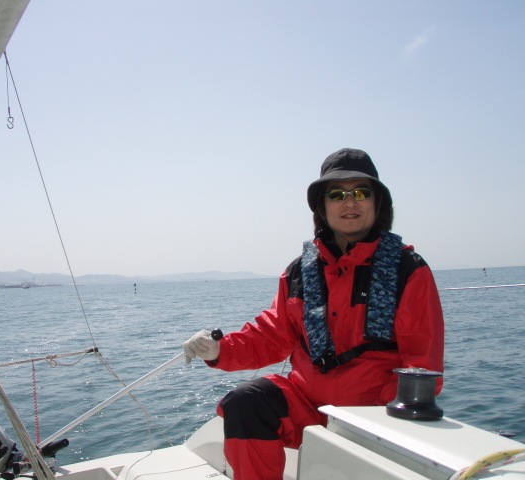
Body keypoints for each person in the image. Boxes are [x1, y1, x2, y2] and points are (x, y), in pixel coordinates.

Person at [183, 148, 445, 480]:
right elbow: (273, 335)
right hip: (306, 409)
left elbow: (421, 361)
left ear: (378, 202)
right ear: (322, 206)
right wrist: (219, 349)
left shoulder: (409, 269)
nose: (349, 202)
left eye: (361, 193)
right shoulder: (298, 272)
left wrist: (377, 421)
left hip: (376, 418)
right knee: (246, 403)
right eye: (336, 194)